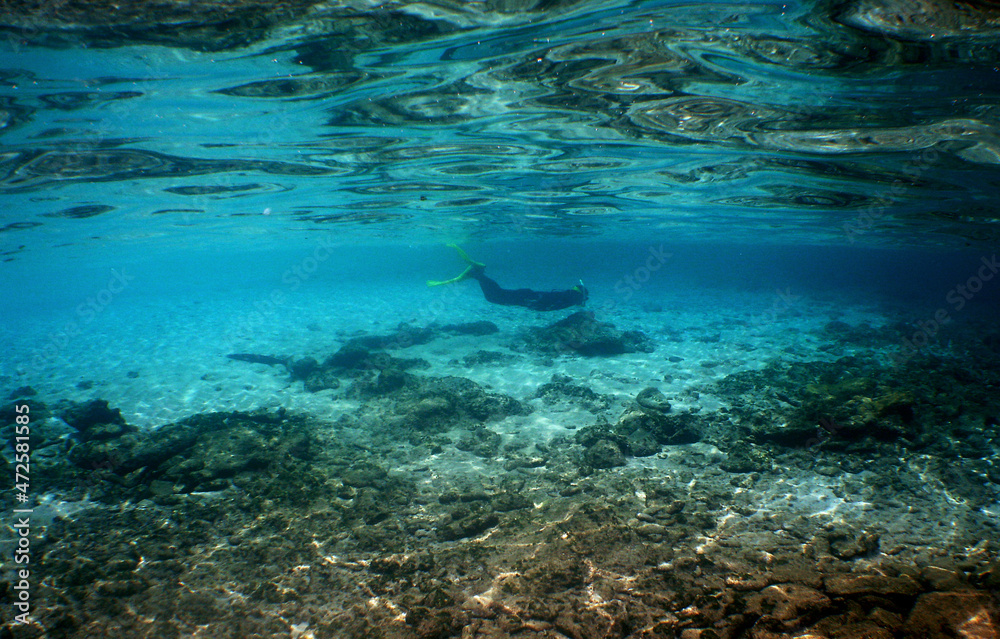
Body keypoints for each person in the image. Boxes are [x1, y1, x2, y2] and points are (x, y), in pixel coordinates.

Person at [428, 244, 588, 312]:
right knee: (495, 296)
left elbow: (552, 302)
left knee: (496, 296)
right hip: (528, 297)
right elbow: (553, 302)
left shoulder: (571, 297)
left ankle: (477, 274)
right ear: (580, 294)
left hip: (528, 297)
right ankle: (477, 273)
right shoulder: (573, 297)